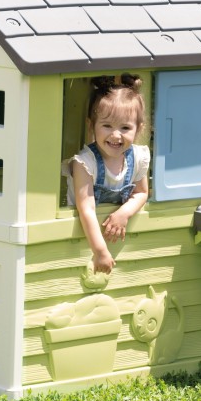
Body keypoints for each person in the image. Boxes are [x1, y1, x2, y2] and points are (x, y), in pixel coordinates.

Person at [63, 74, 150, 274]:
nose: (116, 135)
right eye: (107, 125)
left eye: (125, 127)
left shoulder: (139, 157)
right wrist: (100, 251)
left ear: (138, 129)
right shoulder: (85, 163)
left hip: (118, 244)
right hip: (79, 241)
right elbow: (87, 209)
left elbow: (141, 193)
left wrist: (123, 213)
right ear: (91, 125)